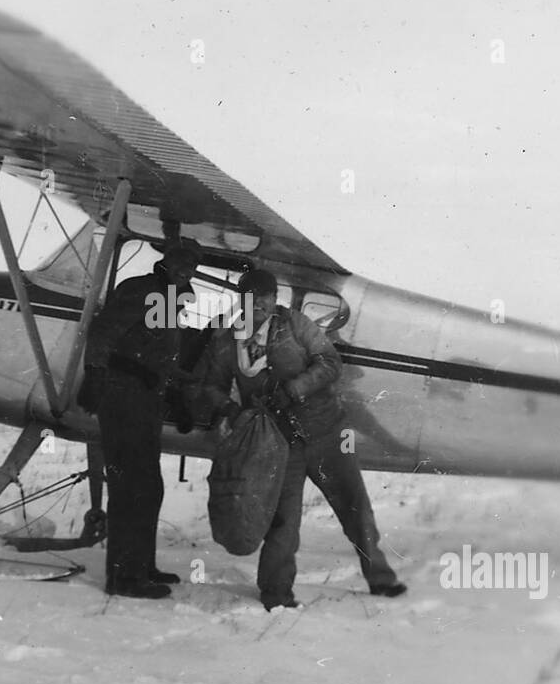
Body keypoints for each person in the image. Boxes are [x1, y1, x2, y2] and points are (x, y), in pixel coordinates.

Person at [193, 269, 407, 610]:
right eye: (250, 297)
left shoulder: (296, 325)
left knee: (356, 509)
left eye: (264, 297)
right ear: (241, 299)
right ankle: (276, 594)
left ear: (273, 298)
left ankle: (381, 579)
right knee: (283, 522)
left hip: (327, 435)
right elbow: (210, 386)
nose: (258, 304)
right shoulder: (227, 339)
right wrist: (232, 412)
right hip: (278, 447)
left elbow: (330, 363)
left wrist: (294, 389)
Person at [79, 242, 200, 599]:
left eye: (191, 266)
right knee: (131, 487)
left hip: (145, 401)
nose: (184, 270)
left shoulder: (168, 301)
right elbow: (103, 333)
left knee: (148, 487)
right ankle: (124, 578)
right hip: (122, 396)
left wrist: (177, 395)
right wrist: (94, 374)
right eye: (179, 262)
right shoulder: (141, 291)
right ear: (167, 260)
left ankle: (141, 566)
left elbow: (158, 356)